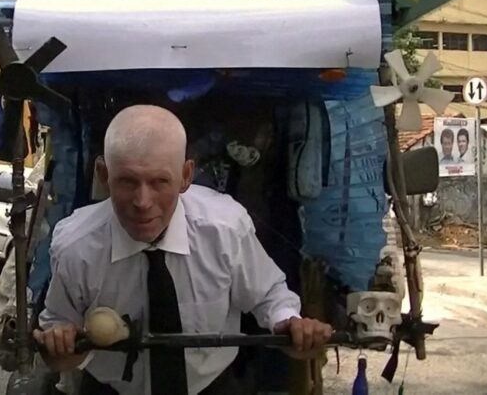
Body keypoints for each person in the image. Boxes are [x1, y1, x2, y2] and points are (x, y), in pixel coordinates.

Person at [34, 105, 333, 395]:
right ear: (103, 174)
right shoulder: (76, 245)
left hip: (212, 387)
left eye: (159, 182)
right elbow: (58, 339)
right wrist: (61, 346)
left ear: (186, 176)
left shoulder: (225, 228)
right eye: (127, 181)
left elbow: (270, 298)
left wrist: (291, 325)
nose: (143, 201)